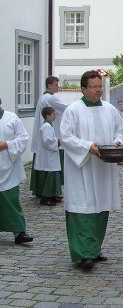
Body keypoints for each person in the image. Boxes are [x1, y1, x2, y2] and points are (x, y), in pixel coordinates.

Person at [60, 70, 123, 271]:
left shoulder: (109, 109)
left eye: (100, 86)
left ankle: (95, 249)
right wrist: (87, 146)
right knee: (83, 209)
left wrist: (117, 142)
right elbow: (65, 137)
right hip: (81, 168)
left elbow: (120, 131)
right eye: (94, 86)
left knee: (100, 208)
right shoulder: (73, 110)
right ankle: (83, 255)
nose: (99, 90)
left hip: (103, 169)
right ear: (83, 88)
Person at [0, 98, 33, 245]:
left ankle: (19, 232)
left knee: (11, 200)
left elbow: (23, 138)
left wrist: (6, 144)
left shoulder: (11, 118)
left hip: (9, 167)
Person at [30, 76, 69, 195]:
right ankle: (49, 193)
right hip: (50, 136)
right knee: (50, 166)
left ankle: (41, 190)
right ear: (49, 85)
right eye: (56, 84)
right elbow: (68, 108)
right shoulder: (51, 99)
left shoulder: (43, 97)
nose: (58, 86)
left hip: (43, 135)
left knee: (42, 164)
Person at [36, 107, 63, 207]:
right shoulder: (46, 127)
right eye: (54, 114)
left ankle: (53, 195)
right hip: (48, 156)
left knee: (53, 174)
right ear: (48, 115)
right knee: (50, 175)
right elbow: (47, 141)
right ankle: (46, 198)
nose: (55, 116)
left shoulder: (48, 126)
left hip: (50, 155)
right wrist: (58, 141)